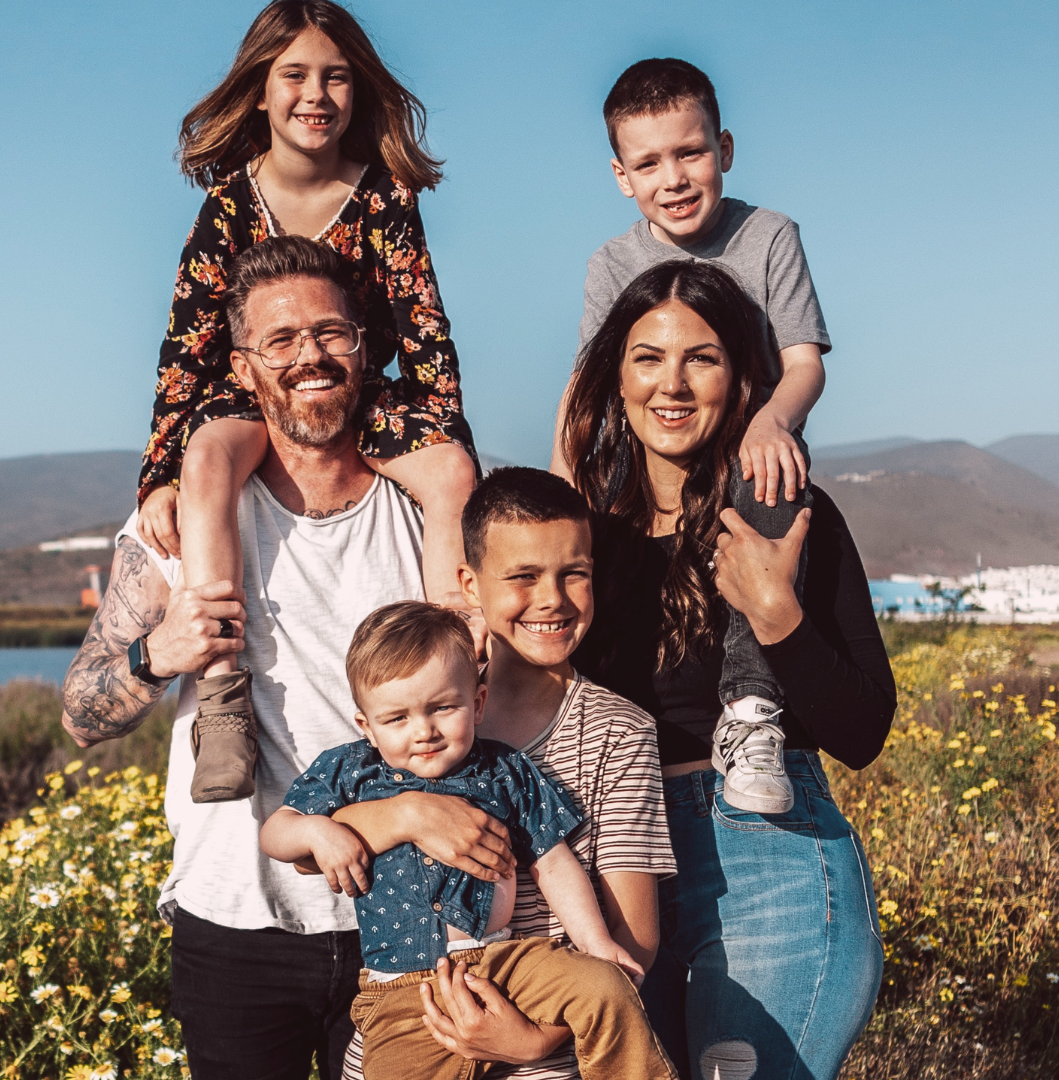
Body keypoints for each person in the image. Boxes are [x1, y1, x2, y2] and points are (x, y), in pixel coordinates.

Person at [61, 235, 435, 1080]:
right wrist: (160, 653)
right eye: (281, 340)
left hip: (404, 915)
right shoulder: (180, 529)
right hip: (233, 920)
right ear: (243, 367)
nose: (311, 356)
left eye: (332, 333)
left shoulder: (422, 515)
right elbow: (81, 713)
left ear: (363, 347)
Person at [136, 0, 478, 805]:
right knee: (208, 456)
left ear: (359, 90)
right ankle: (223, 697)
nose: (316, 94)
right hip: (250, 393)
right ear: (260, 90)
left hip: (361, 390)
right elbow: (185, 347)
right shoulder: (228, 204)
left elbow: (424, 330)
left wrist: (445, 437)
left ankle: (461, 665)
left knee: (452, 471)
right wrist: (157, 476)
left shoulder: (386, 197)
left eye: (336, 76)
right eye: (295, 75)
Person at [562, 259, 895, 1080]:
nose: (671, 385)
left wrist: (776, 615)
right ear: (616, 377)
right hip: (615, 863)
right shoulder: (581, 534)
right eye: (648, 358)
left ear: (741, 377)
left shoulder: (786, 514)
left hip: (768, 859)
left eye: (701, 359)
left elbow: (862, 730)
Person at [551, 58, 833, 815]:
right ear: (622, 176)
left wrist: (773, 419)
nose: (672, 178)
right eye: (648, 163)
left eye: (690, 153)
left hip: (749, 458)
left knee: (769, 478)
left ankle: (750, 711)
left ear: (724, 149)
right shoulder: (613, 263)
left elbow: (804, 364)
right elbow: (585, 386)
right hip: (647, 465)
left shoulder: (768, 235)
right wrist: (559, 489)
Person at [334, 467, 680, 1080]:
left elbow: (636, 938)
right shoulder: (415, 710)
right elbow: (316, 849)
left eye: (575, 573)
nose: (552, 599)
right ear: (469, 583)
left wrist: (532, 1041)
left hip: (546, 1054)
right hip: (408, 1029)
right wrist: (410, 814)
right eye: (523, 576)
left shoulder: (618, 732)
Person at [261, 601, 672, 1080]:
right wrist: (316, 829)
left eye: (443, 708)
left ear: (477, 703)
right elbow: (277, 832)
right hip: (404, 991)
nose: (424, 731)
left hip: (507, 961)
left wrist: (595, 941)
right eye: (397, 718)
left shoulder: (505, 770)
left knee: (605, 987)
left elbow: (554, 864)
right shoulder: (350, 771)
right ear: (366, 727)